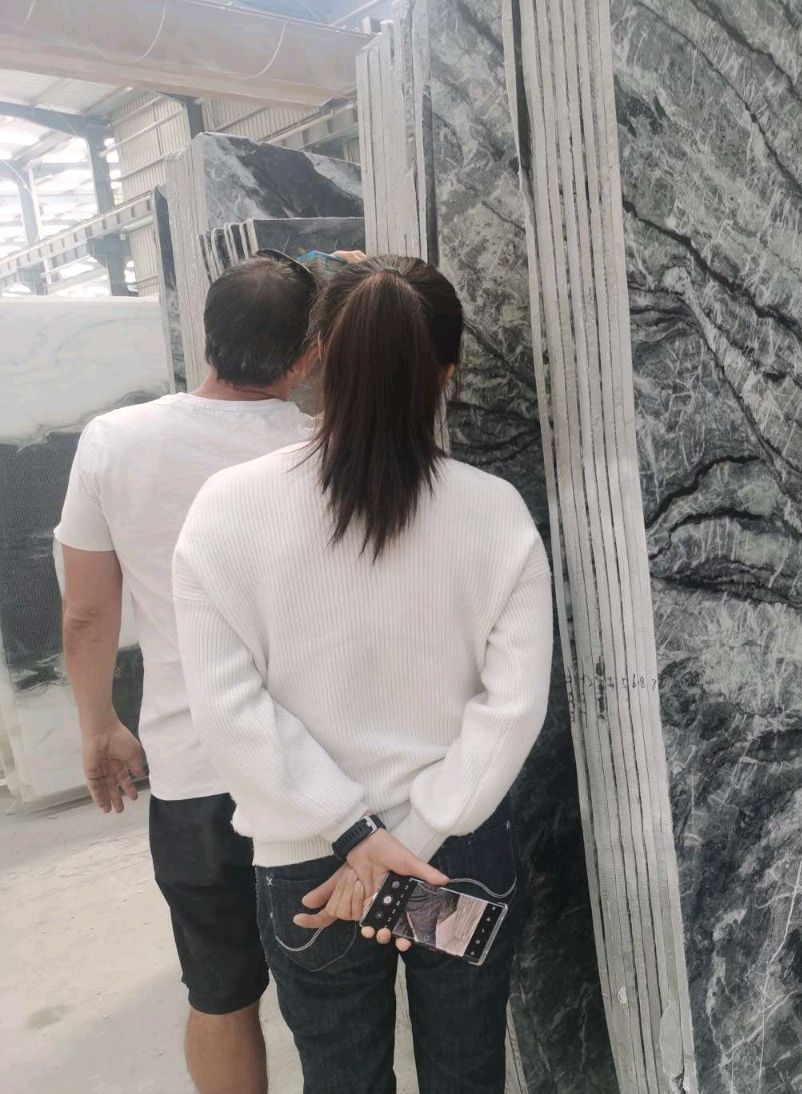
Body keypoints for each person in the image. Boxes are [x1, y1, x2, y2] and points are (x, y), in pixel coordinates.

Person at [171, 255, 554, 1094]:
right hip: (451, 858)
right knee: (466, 1075)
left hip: (313, 869)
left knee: (341, 1077)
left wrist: (355, 842)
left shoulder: (226, 509)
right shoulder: (493, 511)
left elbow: (229, 710)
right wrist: (407, 843)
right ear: (447, 373)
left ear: (316, 359)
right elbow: (513, 709)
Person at [55, 252, 330, 1094]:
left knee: (219, 995)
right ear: (307, 354)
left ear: (206, 336)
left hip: (194, 767)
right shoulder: (329, 447)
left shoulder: (116, 440)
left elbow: (87, 613)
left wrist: (99, 725)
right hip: (321, 773)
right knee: (334, 995)